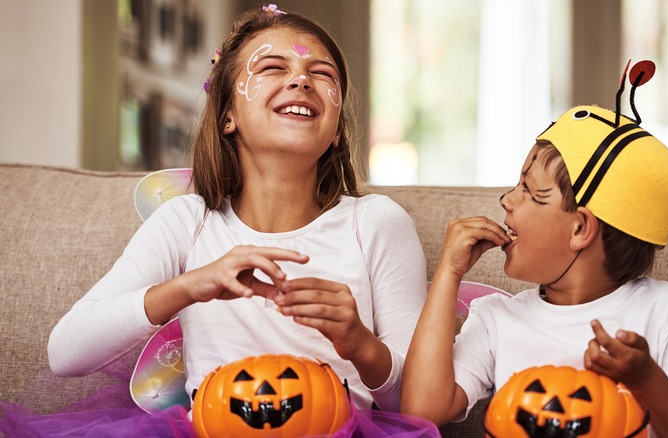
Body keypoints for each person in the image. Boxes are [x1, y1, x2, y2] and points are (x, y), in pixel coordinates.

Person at [47, 4, 427, 418]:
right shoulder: (187, 223)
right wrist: (190, 286)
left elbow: (418, 406)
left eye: (322, 73)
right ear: (228, 115)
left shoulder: (375, 223)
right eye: (272, 67)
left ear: (336, 130)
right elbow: (66, 353)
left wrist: (360, 344)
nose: (301, 79)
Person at [401, 61, 668, 437]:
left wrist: (647, 381)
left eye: (530, 191)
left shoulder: (667, 311)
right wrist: (448, 272)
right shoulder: (496, 319)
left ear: (580, 228)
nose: (507, 200)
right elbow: (420, 411)